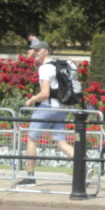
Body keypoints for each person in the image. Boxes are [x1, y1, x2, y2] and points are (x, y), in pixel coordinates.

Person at [19, 41, 75, 186]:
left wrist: (31, 100)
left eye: (38, 51)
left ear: (46, 51)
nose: (35, 53)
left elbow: (45, 93)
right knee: (61, 142)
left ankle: (30, 177)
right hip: (61, 109)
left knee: (31, 139)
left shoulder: (44, 68)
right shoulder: (59, 66)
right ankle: (84, 168)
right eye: (34, 50)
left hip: (47, 108)